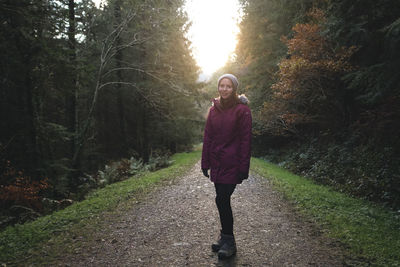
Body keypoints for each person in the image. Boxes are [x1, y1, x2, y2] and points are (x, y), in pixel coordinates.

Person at [201, 73, 252, 259]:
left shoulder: (242, 110)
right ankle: (224, 237)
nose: (224, 89)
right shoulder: (213, 110)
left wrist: (243, 167)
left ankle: (229, 241)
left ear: (234, 89)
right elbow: (208, 137)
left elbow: (246, 140)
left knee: (221, 199)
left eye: (228, 86)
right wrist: (205, 162)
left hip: (233, 163)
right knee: (220, 199)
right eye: (221, 85)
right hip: (217, 162)